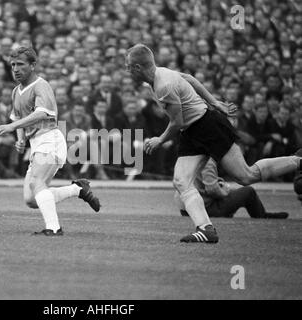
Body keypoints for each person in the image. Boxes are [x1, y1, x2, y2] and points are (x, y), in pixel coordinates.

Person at [125, 44, 302, 243]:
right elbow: (189, 79)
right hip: (192, 131)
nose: (127, 70)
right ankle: (206, 229)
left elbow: (178, 122)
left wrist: (159, 139)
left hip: (208, 127)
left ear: (138, 68)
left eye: (129, 66)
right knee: (181, 181)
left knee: (246, 176)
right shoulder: (160, 75)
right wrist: (215, 102)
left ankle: (297, 160)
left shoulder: (163, 84)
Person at [0, 47, 100, 236]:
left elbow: (43, 113)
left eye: (20, 64)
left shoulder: (41, 85)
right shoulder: (16, 91)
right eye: (13, 65)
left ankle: (54, 228)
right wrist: (20, 139)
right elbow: (17, 116)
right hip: (37, 143)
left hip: (50, 139)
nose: (15, 69)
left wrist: (12, 127)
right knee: (31, 200)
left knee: (37, 182)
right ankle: (77, 189)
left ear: (33, 65)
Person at [175, 158, 289, 219]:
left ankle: (229, 212)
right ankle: (262, 216)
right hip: (205, 210)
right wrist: (226, 191)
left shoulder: (188, 157)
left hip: (186, 209)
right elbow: (212, 189)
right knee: (248, 191)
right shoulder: (207, 160)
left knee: (232, 193)